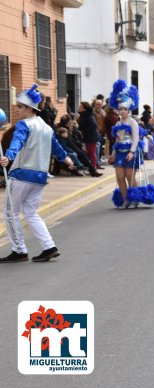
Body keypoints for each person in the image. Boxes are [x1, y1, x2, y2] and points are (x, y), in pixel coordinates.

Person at [0, 85, 75, 263]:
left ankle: (19, 250)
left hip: (22, 174)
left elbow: (17, 142)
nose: (16, 109)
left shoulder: (24, 125)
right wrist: (67, 160)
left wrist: (8, 157)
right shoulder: (47, 128)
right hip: (40, 176)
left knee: (10, 212)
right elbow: (56, 148)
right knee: (31, 212)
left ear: (28, 108)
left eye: (19, 106)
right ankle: (49, 247)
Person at [108, 80, 148, 208]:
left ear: (128, 110)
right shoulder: (117, 124)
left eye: (125, 109)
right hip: (120, 153)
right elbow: (117, 140)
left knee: (130, 176)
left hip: (131, 152)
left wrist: (131, 152)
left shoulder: (133, 123)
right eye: (120, 109)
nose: (122, 111)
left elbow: (136, 139)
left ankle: (135, 197)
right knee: (120, 176)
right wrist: (113, 154)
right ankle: (126, 199)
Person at [77, 102, 101, 169]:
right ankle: (92, 167)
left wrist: (83, 130)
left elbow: (93, 125)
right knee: (88, 152)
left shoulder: (88, 116)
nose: (79, 108)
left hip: (91, 137)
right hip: (87, 137)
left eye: (81, 106)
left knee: (91, 153)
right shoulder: (83, 115)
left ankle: (93, 167)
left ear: (84, 109)